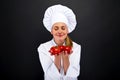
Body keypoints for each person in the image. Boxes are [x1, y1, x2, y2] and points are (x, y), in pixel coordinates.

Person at [37, 4, 81, 80]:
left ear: (67, 30)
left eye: (63, 28)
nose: (60, 31)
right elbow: (50, 76)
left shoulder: (76, 47)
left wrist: (66, 58)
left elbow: (73, 75)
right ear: (51, 31)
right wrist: (57, 58)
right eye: (56, 28)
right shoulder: (43, 48)